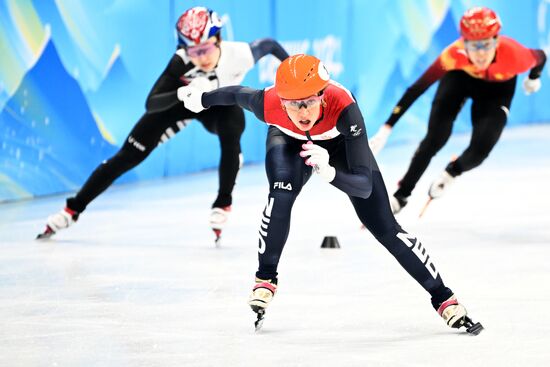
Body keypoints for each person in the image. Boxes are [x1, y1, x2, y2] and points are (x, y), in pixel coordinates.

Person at [177, 53, 484, 334]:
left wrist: (330, 172)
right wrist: (201, 98)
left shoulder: (344, 107)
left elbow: (363, 185)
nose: (303, 111)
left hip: (339, 146)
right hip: (287, 141)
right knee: (280, 194)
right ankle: (265, 278)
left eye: (309, 101)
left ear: (322, 95)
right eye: (293, 103)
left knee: (386, 228)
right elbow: (233, 93)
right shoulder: (267, 102)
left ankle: (444, 298)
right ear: (281, 101)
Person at [38, 6, 289, 241]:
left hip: (217, 105)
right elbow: (151, 103)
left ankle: (223, 201)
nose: (201, 57)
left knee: (232, 129)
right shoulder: (180, 62)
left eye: (206, 49)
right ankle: (72, 209)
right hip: (180, 103)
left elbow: (269, 45)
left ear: (219, 40)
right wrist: (182, 91)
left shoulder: (240, 54)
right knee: (128, 156)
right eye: (194, 51)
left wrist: (292, 73)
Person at [368, 6, 547, 214]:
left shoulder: (515, 55)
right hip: (460, 80)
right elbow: (417, 88)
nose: (480, 53)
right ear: (464, 43)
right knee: (435, 138)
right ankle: (402, 195)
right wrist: (387, 127)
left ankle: (452, 172)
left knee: (480, 150)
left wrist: (534, 78)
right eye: (473, 45)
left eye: (486, 45)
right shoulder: (453, 54)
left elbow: (541, 57)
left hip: (497, 91)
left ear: (497, 41)